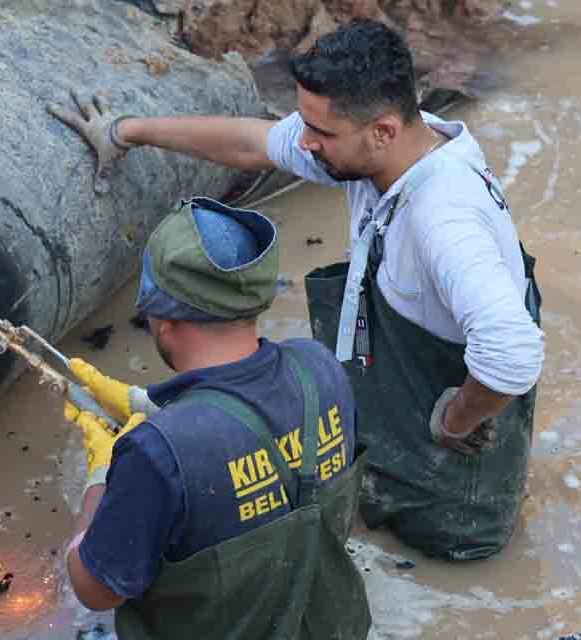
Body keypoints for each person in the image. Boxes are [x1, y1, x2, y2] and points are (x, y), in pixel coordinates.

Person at [48, 19, 544, 560]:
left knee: (430, 556)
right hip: (398, 406)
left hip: (450, 488)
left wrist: (455, 421)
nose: (306, 143)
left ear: (382, 130)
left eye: (321, 134)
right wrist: (127, 131)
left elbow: (512, 354)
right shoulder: (388, 148)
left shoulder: (443, 218)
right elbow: (253, 142)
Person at [60, 196, 371, 639]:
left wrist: (100, 476)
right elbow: (249, 419)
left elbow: (95, 589)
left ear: (163, 320)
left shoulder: (155, 453)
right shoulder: (319, 367)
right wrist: (143, 402)